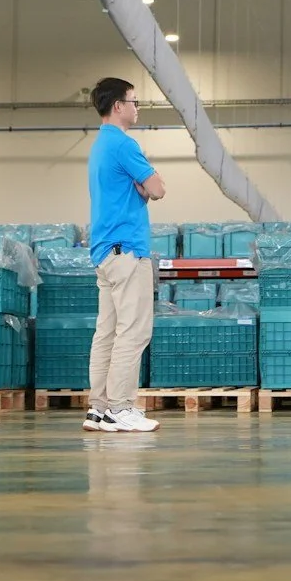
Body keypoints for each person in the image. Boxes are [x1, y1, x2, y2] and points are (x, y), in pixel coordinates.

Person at [84, 76, 166, 435]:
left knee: (108, 332)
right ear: (118, 106)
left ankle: (99, 409)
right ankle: (121, 407)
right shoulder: (124, 145)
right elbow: (158, 188)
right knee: (133, 331)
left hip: (104, 252)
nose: (136, 108)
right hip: (128, 250)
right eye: (134, 101)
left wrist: (141, 188)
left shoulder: (100, 146)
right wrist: (146, 189)